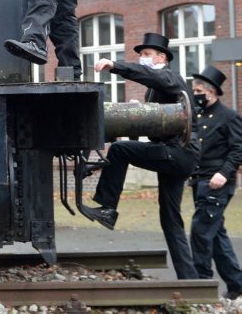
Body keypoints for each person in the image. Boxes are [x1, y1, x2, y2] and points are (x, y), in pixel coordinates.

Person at [82, 32, 199, 279]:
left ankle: (107, 208)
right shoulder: (156, 90)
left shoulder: (169, 77)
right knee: (170, 218)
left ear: (162, 57)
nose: (143, 59)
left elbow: (147, 75)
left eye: (147, 54)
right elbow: (155, 125)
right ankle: (190, 279)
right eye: (142, 55)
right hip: (177, 156)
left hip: (177, 153)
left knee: (119, 150)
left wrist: (115, 65)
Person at [189, 65, 242, 299]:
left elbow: (240, 149)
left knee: (201, 231)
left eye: (197, 91)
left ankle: (202, 285)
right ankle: (236, 283)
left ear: (211, 91)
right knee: (215, 233)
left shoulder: (229, 116)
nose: (195, 95)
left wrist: (224, 173)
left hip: (217, 183)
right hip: (200, 181)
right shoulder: (199, 116)